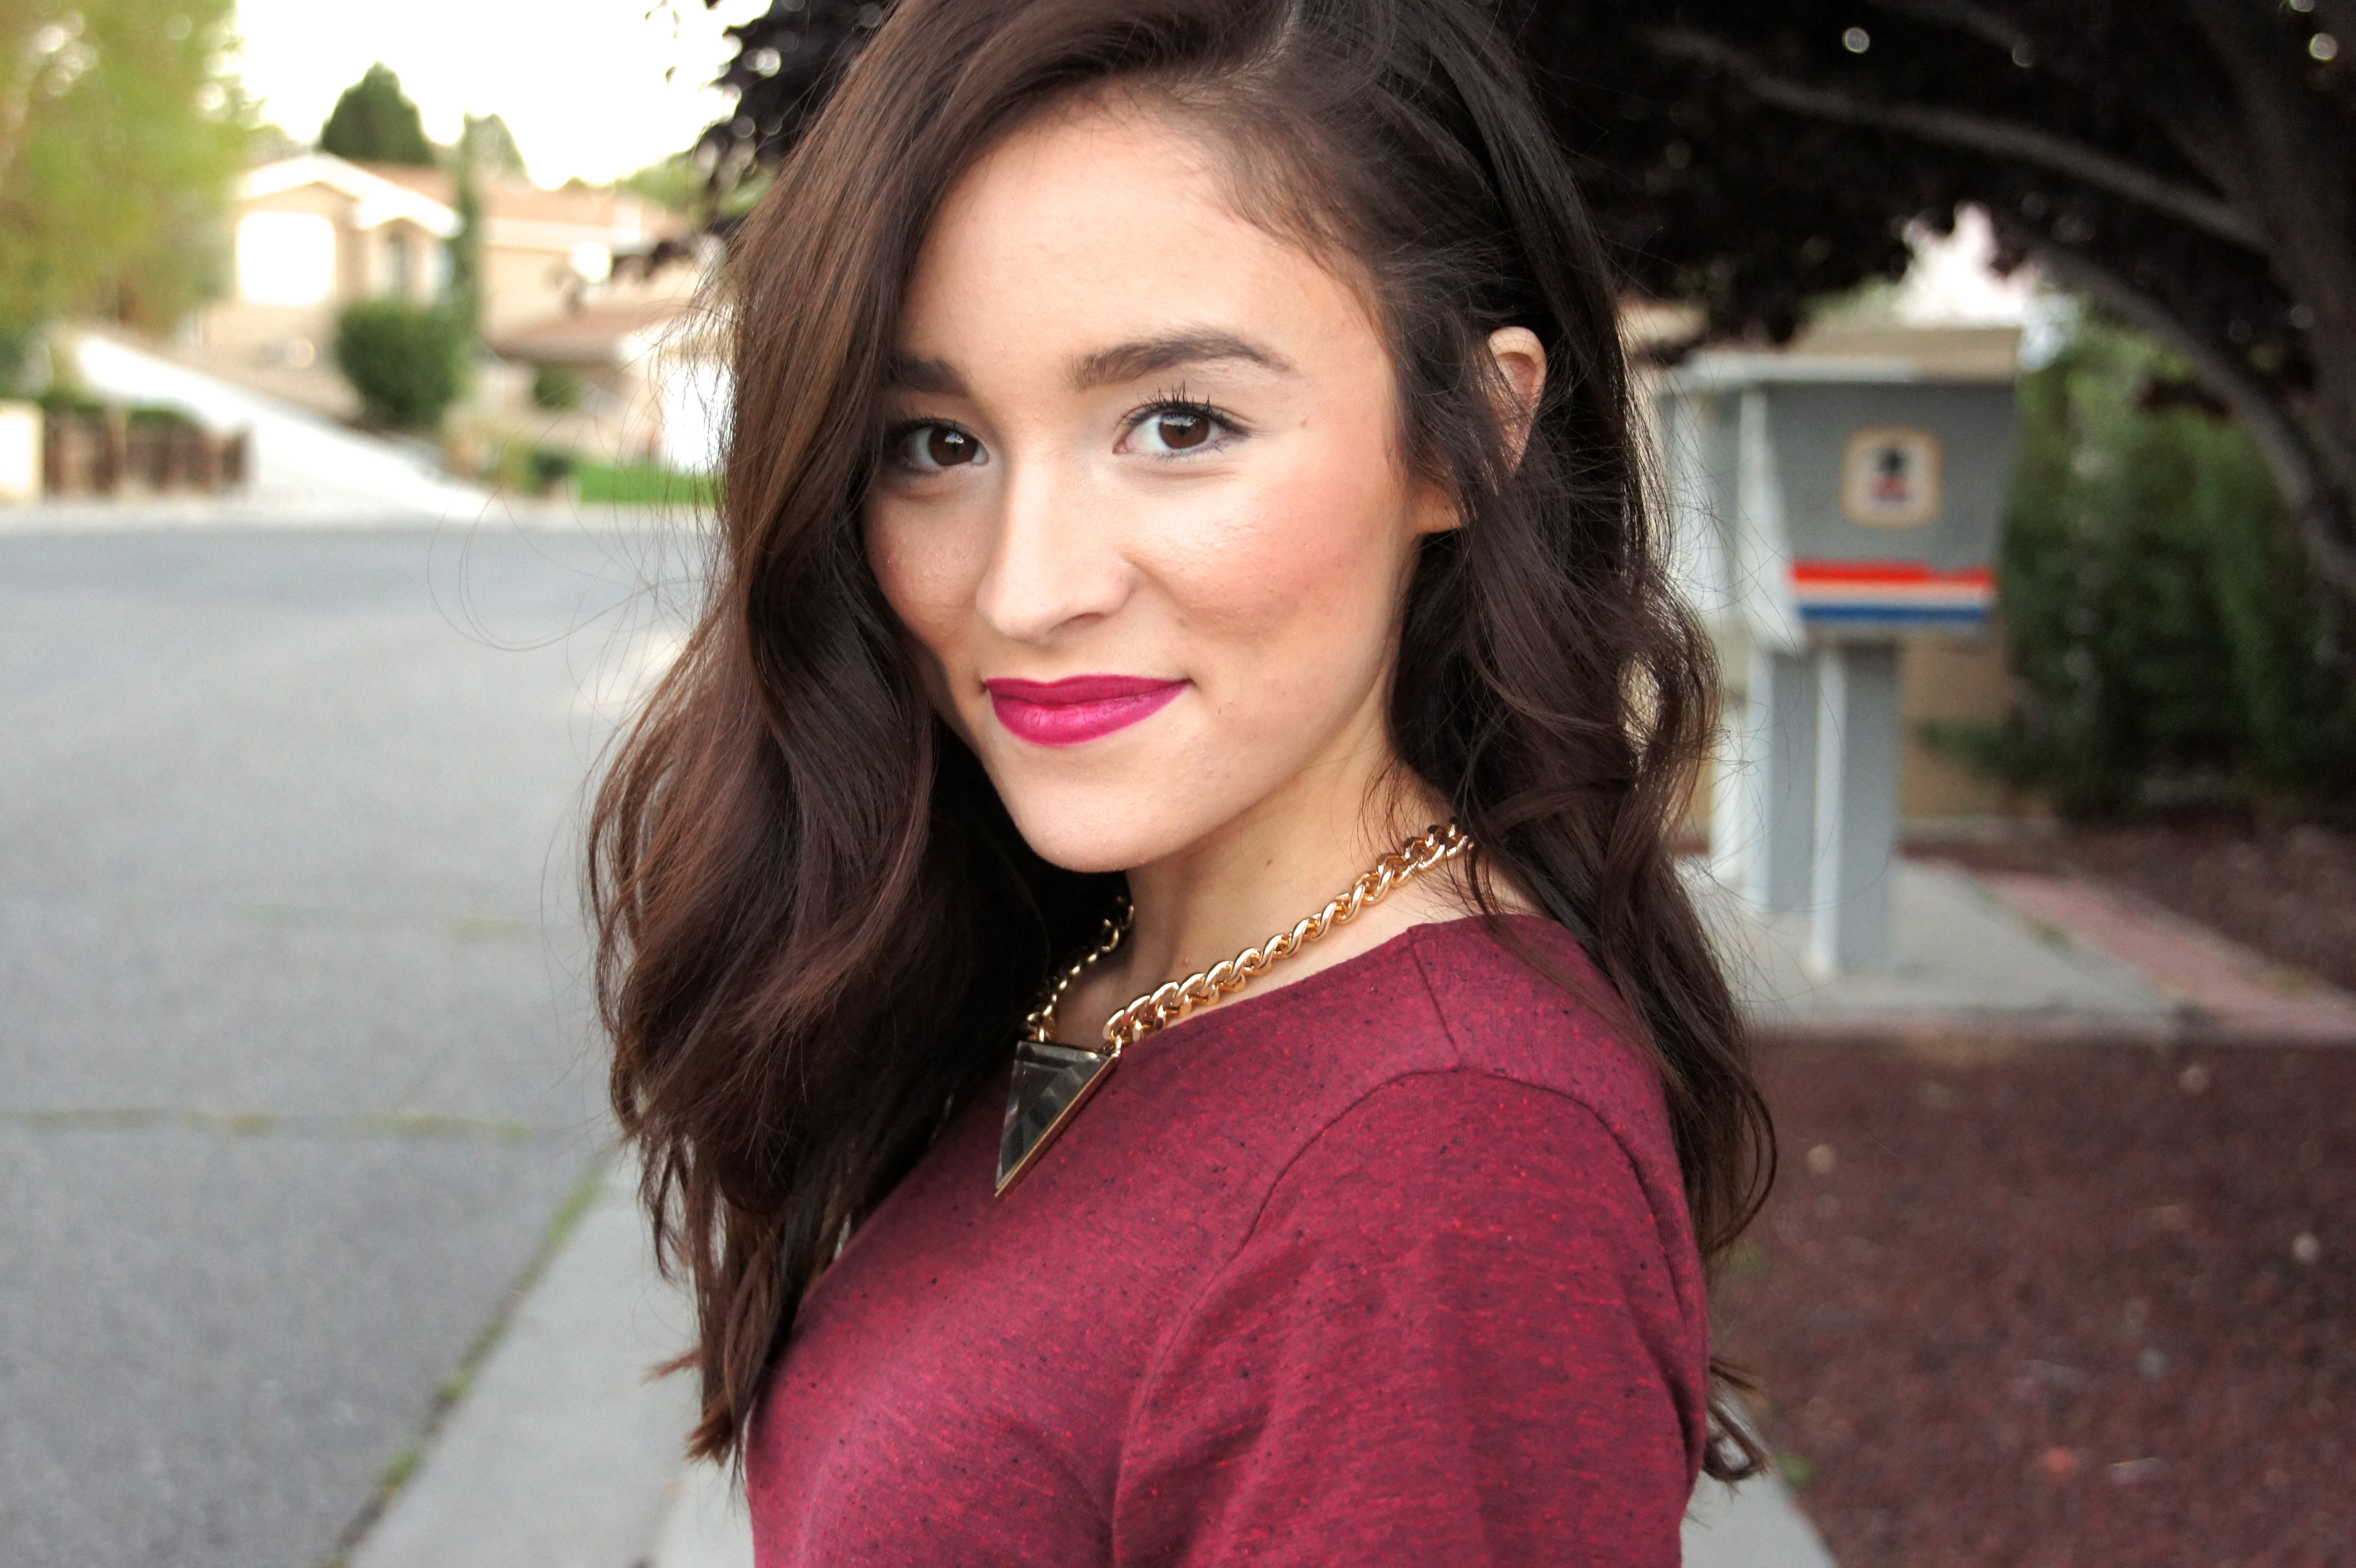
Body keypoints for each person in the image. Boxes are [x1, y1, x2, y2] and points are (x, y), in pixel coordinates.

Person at [590, 0, 1774, 1559]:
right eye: (935, 443)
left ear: (1467, 436)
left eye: (1179, 423)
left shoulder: (1440, 1169)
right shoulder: (1105, 964)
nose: (1026, 588)